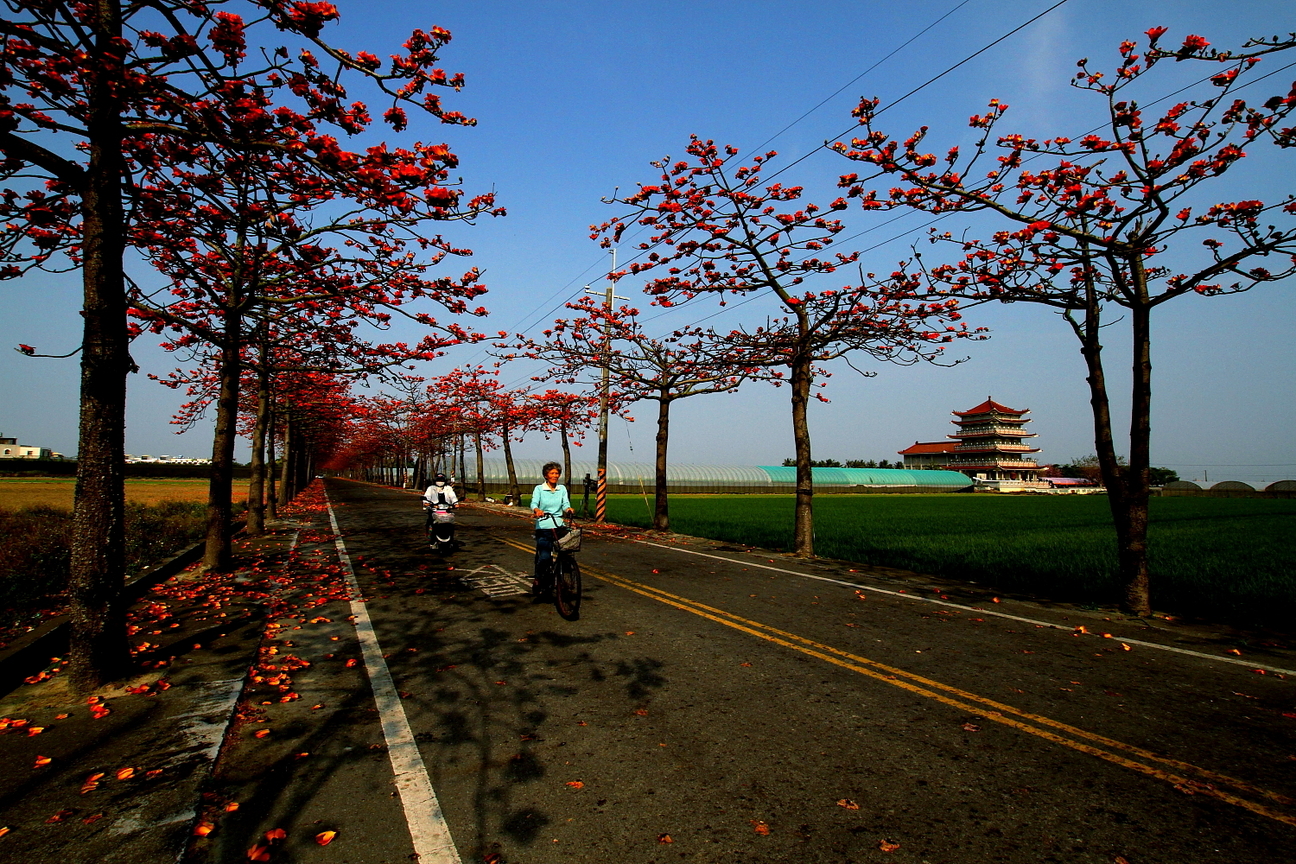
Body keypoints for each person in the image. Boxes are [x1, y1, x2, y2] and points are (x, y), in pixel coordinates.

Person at [530, 461, 574, 596]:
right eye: (552, 473)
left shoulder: (562, 489)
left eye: (557, 473)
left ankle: (561, 576)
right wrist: (537, 510)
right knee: (544, 556)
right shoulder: (539, 489)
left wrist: (568, 509)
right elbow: (534, 503)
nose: (555, 475)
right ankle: (538, 578)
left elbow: (565, 503)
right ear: (546, 475)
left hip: (559, 524)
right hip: (544, 526)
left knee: (567, 550)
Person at [423, 472, 459, 540]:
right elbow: (427, 497)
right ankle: (431, 539)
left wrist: (455, 503)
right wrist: (427, 503)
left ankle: (451, 538)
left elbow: (453, 496)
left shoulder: (448, 488)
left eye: (441, 480)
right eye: (438, 480)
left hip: (446, 510)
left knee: (451, 524)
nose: (440, 482)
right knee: (431, 522)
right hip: (434, 509)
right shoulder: (431, 488)